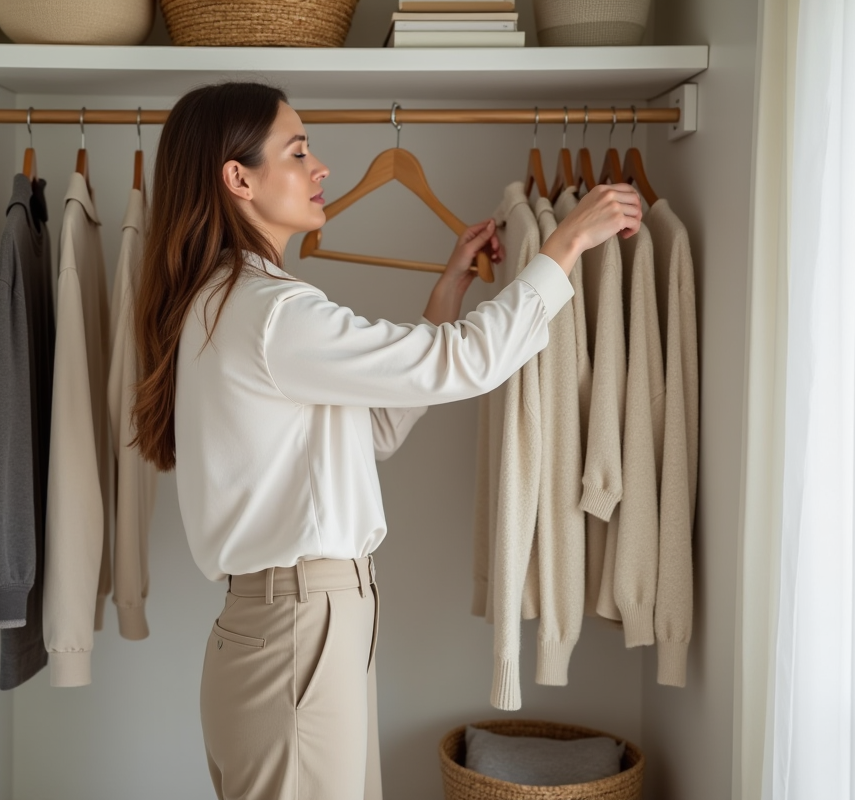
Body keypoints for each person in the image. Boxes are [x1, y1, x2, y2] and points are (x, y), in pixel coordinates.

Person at [131, 82, 641, 800]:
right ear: (238, 178)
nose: (322, 169)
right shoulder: (272, 312)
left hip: (292, 630)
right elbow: (467, 362)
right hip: (301, 632)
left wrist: (446, 294)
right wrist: (563, 247)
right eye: (298, 150)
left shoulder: (230, 303)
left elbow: (370, 427)